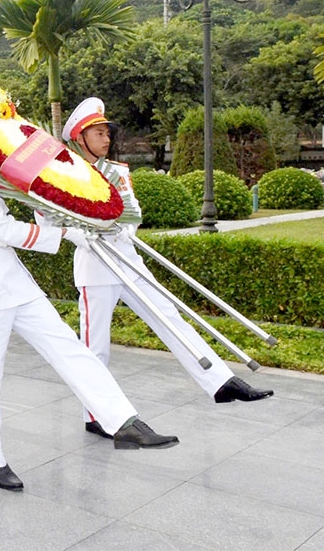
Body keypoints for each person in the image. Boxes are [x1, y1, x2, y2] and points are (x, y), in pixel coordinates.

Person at [0, 81, 178, 491]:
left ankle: (122, 422)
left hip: (13, 279)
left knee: (69, 348)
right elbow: (0, 227)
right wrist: (63, 233)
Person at [60, 98, 272, 428]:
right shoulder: (63, 174)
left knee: (170, 317)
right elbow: (46, 217)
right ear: (80, 138)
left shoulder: (116, 172)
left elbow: (134, 211)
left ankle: (219, 383)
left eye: (107, 133)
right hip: (96, 266)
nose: (106, 139)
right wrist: (79, 234)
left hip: (128, 258)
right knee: (95, 346)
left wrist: (121, 227)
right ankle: (96, 415)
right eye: (98, 133)